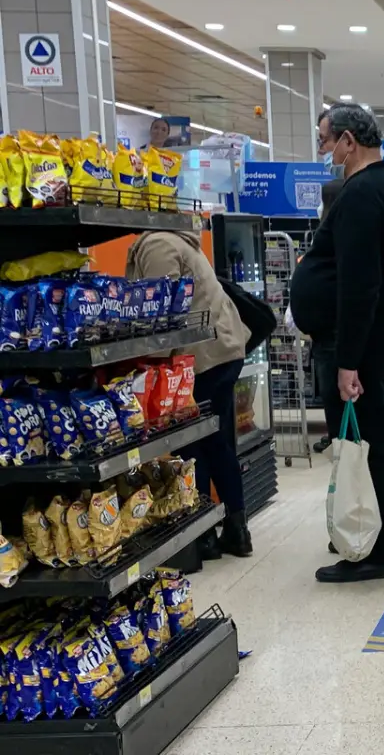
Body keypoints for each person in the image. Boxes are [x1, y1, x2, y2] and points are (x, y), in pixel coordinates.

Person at [291, 102, 384, 583]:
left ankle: (381, 550)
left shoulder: (363, 194)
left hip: (358, 347)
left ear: (348, 140)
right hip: (372, 343)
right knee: (374, 442)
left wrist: (347, 363)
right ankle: (378, 535)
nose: (324, 150)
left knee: (368, 444)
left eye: (326, 140)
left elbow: (360, 286)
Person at [126, 229, 253, 559]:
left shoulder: (156, 246)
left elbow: (161, 310)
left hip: (202, 358)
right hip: (221, 350)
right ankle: (235, 530)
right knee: (214, 440)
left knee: (192, 444)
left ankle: (204, 535)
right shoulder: (177, 240)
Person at [310, 178, 344, 457]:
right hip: (335, 332)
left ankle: (343, 445)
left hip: (331, 334)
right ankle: (343, 441)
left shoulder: (329, 237)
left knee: (336, 396)